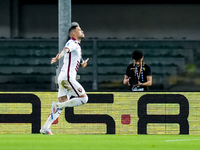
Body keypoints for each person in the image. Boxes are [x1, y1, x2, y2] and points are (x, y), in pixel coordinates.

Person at [40, 22, 89, 135]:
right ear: (73, 33)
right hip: (68, 77)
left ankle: (45, 128)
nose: (82, 31)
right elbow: (65, 50)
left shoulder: (76, 45)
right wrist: (57, 57)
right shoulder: (72, 42)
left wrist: (82, 63)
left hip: (62, 78)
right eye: (79, 29)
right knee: (84, 99)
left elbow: (76, 56)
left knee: (61, 104)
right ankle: (57, 105)